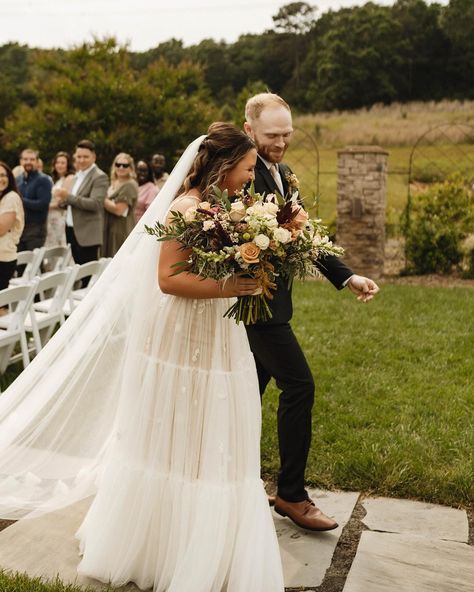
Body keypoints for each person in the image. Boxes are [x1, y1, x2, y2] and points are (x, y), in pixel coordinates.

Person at [0, 123, 284, 592]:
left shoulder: (224, 206)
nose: (252, 177)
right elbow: (168, 279)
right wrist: (232, 285)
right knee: (179, 426)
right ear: (225, 165)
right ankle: (164, 543)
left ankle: (208, 537)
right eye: (249, 168)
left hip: (215, 328)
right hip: (183, 331)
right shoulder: (186, 206)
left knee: (212, 428)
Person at [243, 92, 380, 531]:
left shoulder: (283, 173)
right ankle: (291, 495)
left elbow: (303, 236)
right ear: (249, 131)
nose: (281, 142)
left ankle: (237, 482)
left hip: (271, 304)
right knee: (299, 386)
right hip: (253, 308)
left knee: (245, 398)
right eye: (272, 135)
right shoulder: (240, 177)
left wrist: (346, 276)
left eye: (287, 134)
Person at [54, 139, 108, 264]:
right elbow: (72, 201)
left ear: (93, 157)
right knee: (77, 269)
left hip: (87, 233)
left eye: (85, 157)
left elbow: (95, 204)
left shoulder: (100, 176)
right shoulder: (78, 174)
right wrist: (62, 201)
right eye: (79, 157)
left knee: (87, 273)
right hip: (71, 230)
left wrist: (67, 197)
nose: (81, 160)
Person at [102, 153, 138, 257]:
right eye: (118, 164)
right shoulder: (114, 182)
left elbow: (119, 210)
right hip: (109, 228)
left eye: (125, 165)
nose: (121, 167)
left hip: (120, 229)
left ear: (130, 168)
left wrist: (101, 199)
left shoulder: (130, 185)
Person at [16, 148, 52, 252]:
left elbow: (43, 204)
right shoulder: (17, 179)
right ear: (21, 161)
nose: (28, 162)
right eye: (25, 159)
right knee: (19, 265)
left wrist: (21, 200)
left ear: (37, 162)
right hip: (19, 229)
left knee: (34, 265)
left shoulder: (44, 180)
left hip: (36, 230)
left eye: (32, 159)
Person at [0, 162, 24, 293]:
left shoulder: (11, 198)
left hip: (3, 258)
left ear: (9, 178)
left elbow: (1, 228)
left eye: (3, 175)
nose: (0, 179)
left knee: (1, 306)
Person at [46, 152, 75, 248]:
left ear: (68, 164)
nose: (59, 165)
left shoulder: (69, 178)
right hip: (51, 217)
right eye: (57, 162)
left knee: (60, 246)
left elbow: (62, 201)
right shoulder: (57, 179)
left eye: (63, 163)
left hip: (60, 217)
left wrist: (44, 206)